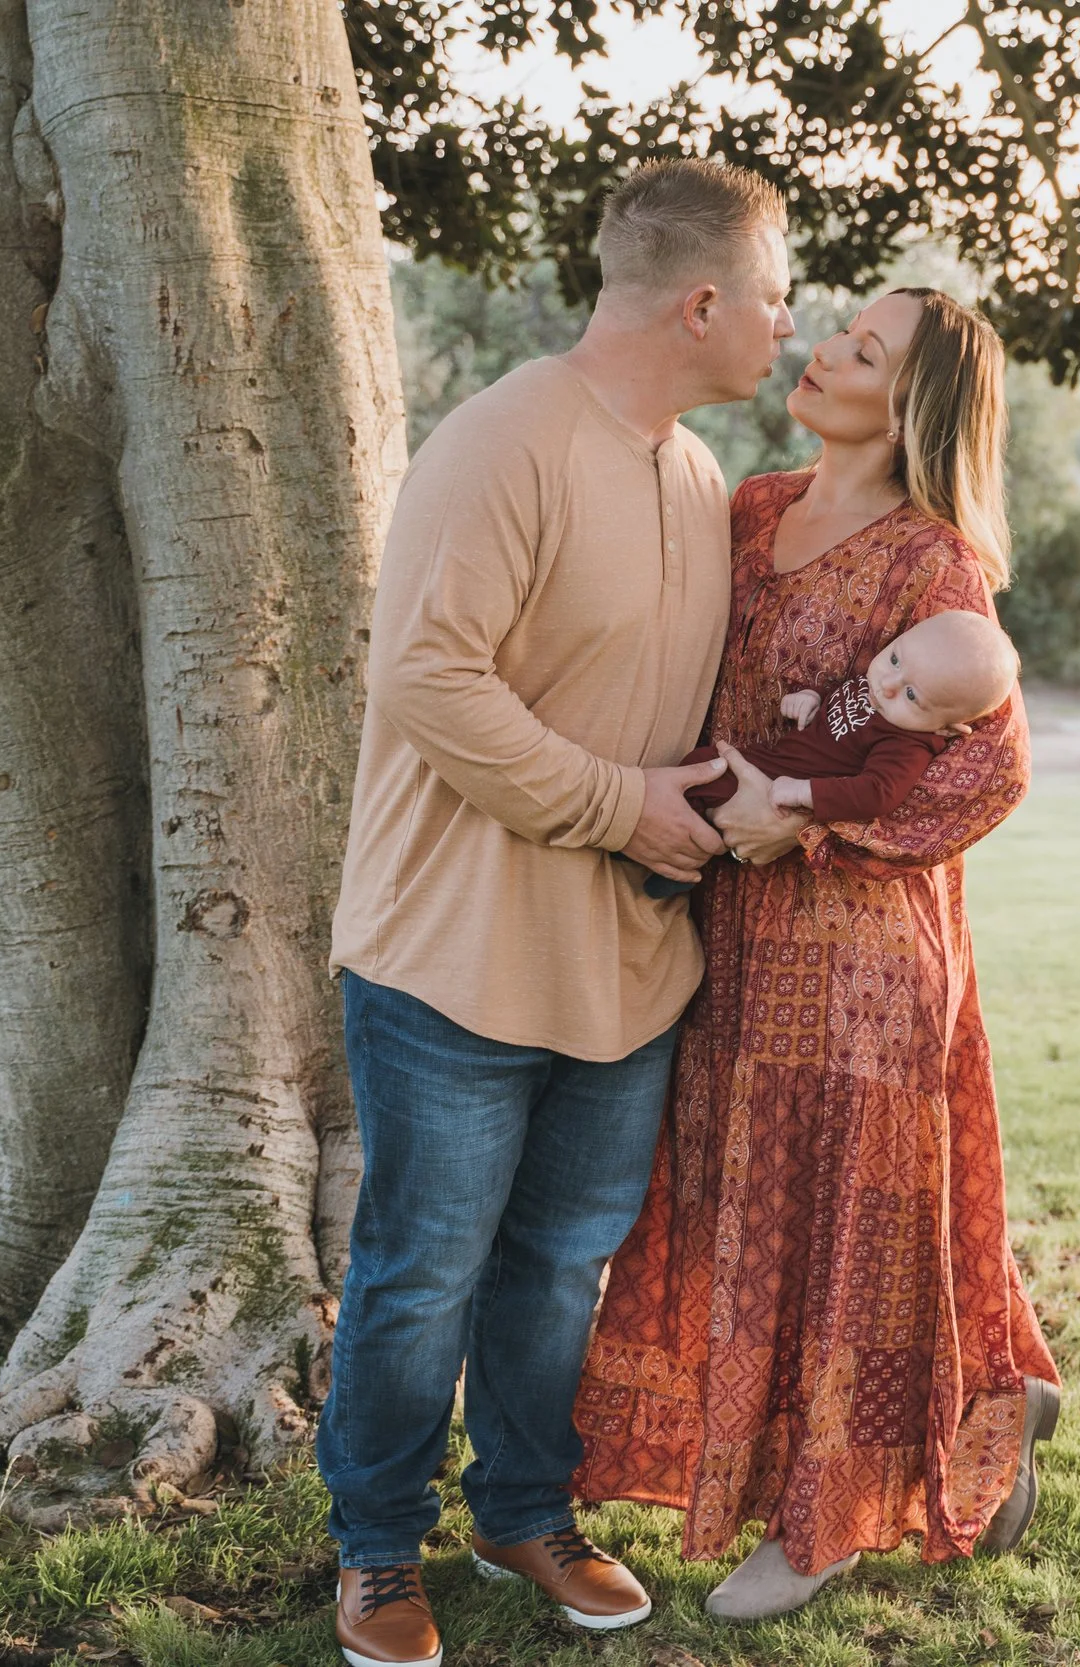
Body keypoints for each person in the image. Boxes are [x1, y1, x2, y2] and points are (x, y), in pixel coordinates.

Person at [318, 161, 794, 1667]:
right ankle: (377, 1547)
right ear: (702, 301)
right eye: (777, 294)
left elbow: (644, 702)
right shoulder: (504, 441)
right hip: (455, 959)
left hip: (627, 969)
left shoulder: (698, 476)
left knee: (555, 1268)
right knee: (421, 1272)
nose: (788, 323)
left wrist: (729, 790)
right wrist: (619, 800)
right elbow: (426, 680)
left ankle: (526, 1508)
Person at [571, 287, 1060, 1623]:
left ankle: (828, 1515)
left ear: (913, 404)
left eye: (867, 348)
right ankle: (997, 1376)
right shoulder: (746, 507)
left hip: (861, 959)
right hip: (730, 937)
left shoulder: (932, 561)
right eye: (841, 326)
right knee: (750, 1202)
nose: (828, 348)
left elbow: (993, 774)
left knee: (851, 1227)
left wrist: (810, 826)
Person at [640, 608, 1022, 897]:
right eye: (894, 659)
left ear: (946, 727)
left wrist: (804, 793)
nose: (888, 685)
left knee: (706, 790)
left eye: (911, 695)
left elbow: (877, 794)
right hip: (771, 761)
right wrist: (810, 700)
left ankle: (676, 871)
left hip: (777, 786)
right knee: (698, 765)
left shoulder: (905, 744)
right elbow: (837, 714)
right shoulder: (875, 687)